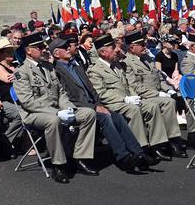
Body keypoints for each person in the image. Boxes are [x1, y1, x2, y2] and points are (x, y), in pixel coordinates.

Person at [50, 37, 156, 173]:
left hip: (93, 104)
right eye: (65, 48)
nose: (69, 49)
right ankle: (123, 156)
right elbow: (67, 96)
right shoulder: (57, 71)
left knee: (116, 117)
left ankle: (138, 153)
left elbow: (92, 89)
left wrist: (99, 104)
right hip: (79, 107)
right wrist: (94, 107)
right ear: (57, 54)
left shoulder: (76, 66)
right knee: (105, 118)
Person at [13, 33, 97, 184]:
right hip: (35, 114)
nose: (44, 49)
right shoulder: (21, 72)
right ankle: (58, 165)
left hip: (57, 109)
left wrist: (69, 108)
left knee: (88, 114)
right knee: (53, 120)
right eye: (39, 47)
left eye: (43, 46)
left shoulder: (49, 67)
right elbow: (28, 102)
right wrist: (57, 112)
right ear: (28, 51)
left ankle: (79, 157)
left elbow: (61, 93)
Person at [87, 33, 170, 160]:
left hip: (128, 100)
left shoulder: (117, 65)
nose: (117, 50)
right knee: (134, 110)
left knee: (151, 106)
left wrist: (134, 96)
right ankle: (141, 148)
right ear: (103, 52)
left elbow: (128, 85)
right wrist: (125, 99)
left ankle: (157, 144)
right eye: (113, 48)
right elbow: (102, 94)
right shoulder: (95, 70)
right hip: (113, 103)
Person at [122, 30, 188, 158]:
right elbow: (135, 85)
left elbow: (159, 78)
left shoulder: (147, 58)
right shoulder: (128, 62)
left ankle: (172, 139)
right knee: (167, 102)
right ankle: (159, 143)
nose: (144, 46)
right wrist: (158, 94)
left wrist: (168, 90)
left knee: (172, 100)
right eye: (141, 44)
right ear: (132, 47)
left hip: (156, 93)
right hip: (143, 96)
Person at [0, 38, 18, 102]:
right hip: (10, 100)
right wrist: (21, 74)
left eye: (12, 51)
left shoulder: (16, 64)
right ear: (0, 54)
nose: (12, 53)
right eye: (8, 52)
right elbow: (8, 79)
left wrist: (18, 75)